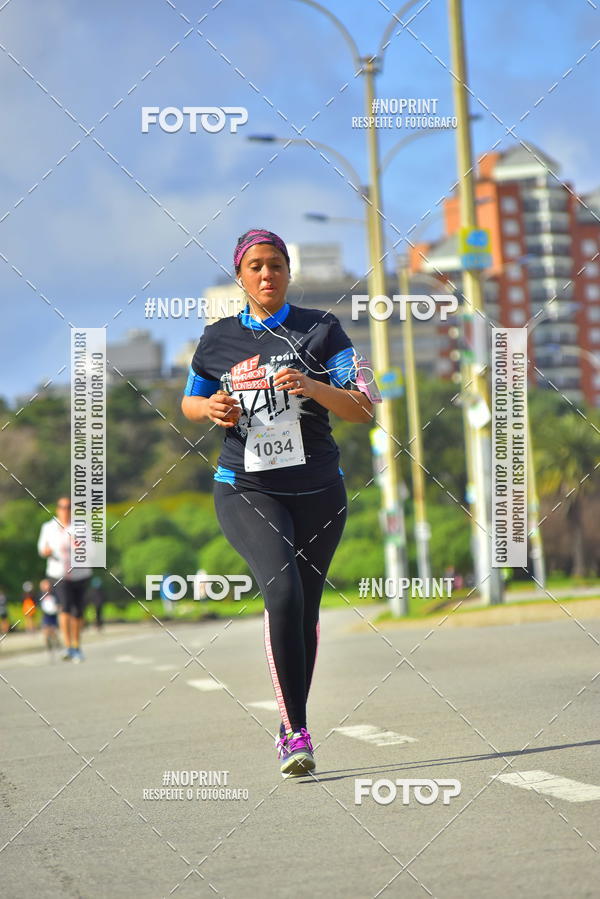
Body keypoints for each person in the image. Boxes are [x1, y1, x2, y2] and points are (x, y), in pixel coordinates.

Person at [182, 228, 376, 778]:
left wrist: (313, 388)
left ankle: (296, 721)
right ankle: (294, 733)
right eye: (256, 267)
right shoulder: (218, 338)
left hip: (318, 491)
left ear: (289, 272)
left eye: (276, 265)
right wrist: (211, 409)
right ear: (241, 276)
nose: (267, 275)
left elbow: (363, 407)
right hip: (248, 487)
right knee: (283, 594)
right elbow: (189, 400)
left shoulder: (322, 329)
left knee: (306, 611)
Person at [37, 497, 92, 663]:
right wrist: (46, 551)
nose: (65, 510)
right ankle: (68, 647)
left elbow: (92, 550)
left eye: (68, 507)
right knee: (65, 607)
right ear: (57, 509)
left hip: (79, 574)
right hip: (58, 573)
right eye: (62, 507)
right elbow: (41, 549)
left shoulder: (82, 526)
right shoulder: (48, 527)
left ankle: (76, 645)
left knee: (78, 611)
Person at [39, 578, 61, 655]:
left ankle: (56, 642)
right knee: (46, 630)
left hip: (53, 615)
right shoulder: (41, 594)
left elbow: (58, 603)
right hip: (46, 615)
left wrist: (58, 607)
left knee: (52, 630)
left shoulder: (54, 593)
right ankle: (48, 646)